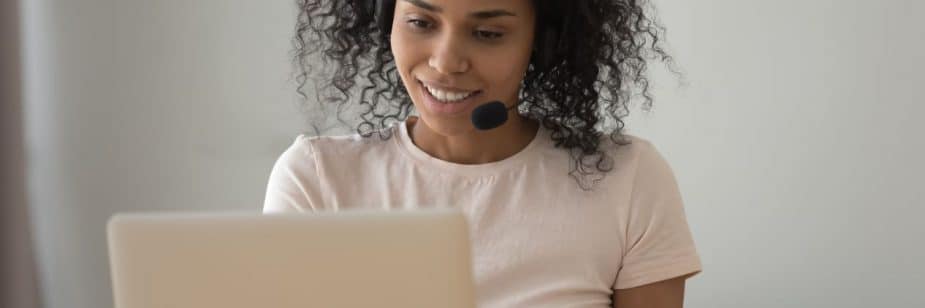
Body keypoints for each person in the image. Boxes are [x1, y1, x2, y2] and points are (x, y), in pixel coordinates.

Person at [263, 0, 702, 307]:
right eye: (420, 22)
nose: (446, 61)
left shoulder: (628, 180)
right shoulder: (317, 179)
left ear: (545, 42)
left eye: (488, 33)